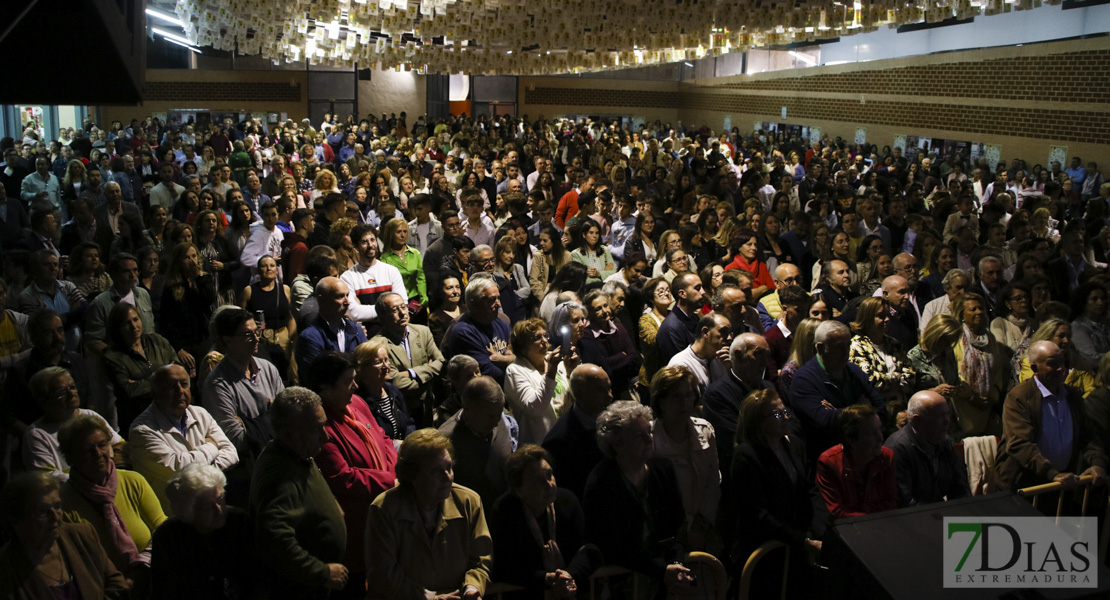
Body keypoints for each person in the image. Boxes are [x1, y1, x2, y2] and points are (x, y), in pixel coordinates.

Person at [308, 352, 398, 598]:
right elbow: (342, 477)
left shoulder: (356, 402)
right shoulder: (320, 426)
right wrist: (390, 481)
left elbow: (383, 437)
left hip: (385, 508)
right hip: (357, 524)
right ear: (325, 388)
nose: (356, 386)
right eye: (349, 381)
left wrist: (392, 471)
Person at [581, 400, 693, 598]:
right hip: (623, 585)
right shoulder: (601, 482)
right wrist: (662, 571)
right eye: (639, 436)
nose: (649, 439)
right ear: (616, 443)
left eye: (649, 432)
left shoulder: (663, 469)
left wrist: (676, 564)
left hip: (664, 580)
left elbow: (679, 522)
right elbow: (612, 545)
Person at [366, 428, 493, 599]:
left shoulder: (469, 501)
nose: (447, 476)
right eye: (436, 471)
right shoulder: (384, 509)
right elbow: (383, 574)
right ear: (412, 476)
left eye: (449, 467)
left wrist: (471, 588)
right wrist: (430, 598)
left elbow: (480, 560)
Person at [249, 387, 348, 599]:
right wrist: (320, 572)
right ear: (287, 433)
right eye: (316, 429)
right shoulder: (278, 472)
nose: (326, 436)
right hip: (300, 589)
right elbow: (273, 539)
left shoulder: (299, 453)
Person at [729, 389, 822, 598]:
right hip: (766, 553)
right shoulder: (746, 456)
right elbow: (757, 514)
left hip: (795, 547)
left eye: (785, 411)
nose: (785, 417)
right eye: (777, 415)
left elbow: (809, 489)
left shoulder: (794, 444)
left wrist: (817, 529)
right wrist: (803, 541)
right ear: (759, 422)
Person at [58, 413, 167, 588]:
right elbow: (75, 559)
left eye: (102, 445)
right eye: (87, 449)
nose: (98, 454)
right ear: (70, 457)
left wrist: (140, 568)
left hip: (151, 576)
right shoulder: (63, 501)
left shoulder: (133, 481)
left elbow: (163, 530)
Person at [992, 341, 1109, 491]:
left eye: (1063, 362)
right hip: (1024, 486)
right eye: (1053, 364)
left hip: (1060, 486)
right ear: (1035, 368)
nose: (1061, 368)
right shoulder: (1019, 397)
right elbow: (1019, 444)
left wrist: (1097, 463)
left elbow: (1088, 435)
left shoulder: (1073, 396)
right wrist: (1052, 473)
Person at [0, 471, 129, 600]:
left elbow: (117, 584)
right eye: (41, 511)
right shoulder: (6, 569)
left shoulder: (82, 535)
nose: (55, 517)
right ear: (16, 519)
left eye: (57, 506)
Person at [489, 445, 596, 599]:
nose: (549, 485)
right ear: (519, 490)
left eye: (549, 475)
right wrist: (545, 578)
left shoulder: (567, 501)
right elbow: (503, 567)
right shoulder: (505, 511)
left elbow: (589, 549)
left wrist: (569, 575)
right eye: (537, 481)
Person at [129, 365, 239, 514]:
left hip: (211, 508)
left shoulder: (200, 413)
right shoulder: (142, 430)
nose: (180, 391)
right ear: (155, 392)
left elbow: (232, 453)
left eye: (184, 384)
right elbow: (178, 468)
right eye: (171, 386)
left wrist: (197, 471)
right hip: (175, 515)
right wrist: (211, 447)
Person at [151, 463, 257, 600]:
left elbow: (257, 580)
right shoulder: (167, 537)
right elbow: (163, 592)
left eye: (220, 500)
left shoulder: (239, 522)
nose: (219, 511)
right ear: (188, 511)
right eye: (207, 507)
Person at [791, 320, 886, 462]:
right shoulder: (804, 380)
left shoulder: (854, 371)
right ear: (821, 348)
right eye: (839, 347)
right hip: (828, 459)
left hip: (864, 454)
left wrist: (838, 412)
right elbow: (823, 422)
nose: (846, 352)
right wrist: (862, 409)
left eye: (848, 345)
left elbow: (881, 410)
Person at [649, 366, 720, 550]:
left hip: (703, 531)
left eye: (688, 395)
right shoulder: (648, 439)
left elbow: (713, 483)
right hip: (668, 537)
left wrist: (700, 528)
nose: (684, 403)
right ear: (661, 401)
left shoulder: (705, 430)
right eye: (676, 396)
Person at [202, 308, 283, 465]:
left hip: (279, 456)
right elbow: (237, 439)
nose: (256, 339)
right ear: (227, 340)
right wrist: (270, 415)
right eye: (247, 335)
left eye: (256, 332)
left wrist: (249, 424)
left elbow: (288, 416)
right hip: (249, 467)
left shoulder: (267, 368)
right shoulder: (217, 384)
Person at [21, 366, 122, 480]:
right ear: (43, 400)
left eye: (73, 387)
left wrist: (111, 474)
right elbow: (47, 477)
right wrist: (91, 481)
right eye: (62, 392)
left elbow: (119, 446)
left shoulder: (90, 415)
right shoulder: (37, 434)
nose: (71, 394)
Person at [702, 333, 775, 480]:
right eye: (759, 354)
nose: (764, 363)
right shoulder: (717, 395)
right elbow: (736, 439)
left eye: (767, 356)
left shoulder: (769, 388)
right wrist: (777, 433)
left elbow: (792, 423)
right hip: (746, 476)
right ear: (739, 355)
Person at [438, 376, 518, 505]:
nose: (497, 422)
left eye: (500, 413)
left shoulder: (495, 415)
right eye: (491, 416)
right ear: (467, 408)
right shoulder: (445, 441)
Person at [370, 291, 445, 428]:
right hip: (401, 409)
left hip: (427, 406)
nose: (402, 313)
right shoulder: (378, 345)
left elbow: (441, 363)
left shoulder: (423, 332)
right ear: (381, 316)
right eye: (394, 309)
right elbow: (395, 382)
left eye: (403, 307)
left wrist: (410, 373)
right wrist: (428, 377)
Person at [102, 302, 180, 432]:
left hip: (169, 414)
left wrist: (143, 383)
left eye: (135, 319)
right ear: (117, 328)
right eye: (127, 323)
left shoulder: (157, 341)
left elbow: (179, 371)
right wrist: (165, 377)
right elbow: (130, 390)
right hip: (139, 421)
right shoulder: (112, 356)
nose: (134, 326)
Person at [884, 390, 971, 506]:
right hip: (914, 519)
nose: (947, 421)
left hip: (938, 514)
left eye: (947, 414)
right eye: (940, 416)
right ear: (917, 421)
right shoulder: (897, 449)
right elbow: (905, 502)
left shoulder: (945, 442)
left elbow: (960, 489)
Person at [542, 364, 614, 499]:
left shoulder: (611, 417)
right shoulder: (558, 442)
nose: (610, 396)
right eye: (600, 390)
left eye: (609, 388)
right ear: (580, 394)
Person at [503, 317, 577, 445]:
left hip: (566, 435)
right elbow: (534, 408)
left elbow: (575, 397)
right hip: (540, 442)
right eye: (537, 338)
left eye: (545, 336)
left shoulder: (553, 359)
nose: (544, 341)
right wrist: (551, 372)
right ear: (522, 345)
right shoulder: (515, 370)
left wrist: (571, 372)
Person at [816, 404, 898, 518]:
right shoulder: (830, 462)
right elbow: (837, 511)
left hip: (883, 524)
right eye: (871, 434)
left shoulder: (887, 457)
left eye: (880, 429)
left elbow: (892, 502)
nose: (880, 437)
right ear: (852, 441)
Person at [951, 292, 1009, 436]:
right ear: (962, 314)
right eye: (973, 309)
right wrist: (971, 396)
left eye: (981, 308)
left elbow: (997, 369)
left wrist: (992, 396)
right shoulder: (955, 337)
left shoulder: (989, 338)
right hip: (962, 406)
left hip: (986, 406)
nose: (979, 312)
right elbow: (954, 371)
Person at [441, 277, 514, 384]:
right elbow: (490, 374)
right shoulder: (463, 332)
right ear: (473, 303)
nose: (499, 304)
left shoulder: (501, 322)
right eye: (492, 299)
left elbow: (524, 355)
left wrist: (506, 360)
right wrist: (516, 363)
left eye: (498, 298)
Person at [849, 297, 915, 406]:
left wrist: (886, 380)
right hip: (874, 408)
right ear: (868, 318)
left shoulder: (894, 344)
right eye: (881, 316)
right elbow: (870, 380)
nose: (887, 320)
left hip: (900, 406)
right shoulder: (857, 345)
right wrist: (896, 377)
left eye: (888, 315)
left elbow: (911, 376)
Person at [296, 276, 368, 373]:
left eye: (347, 295)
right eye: (340, 296)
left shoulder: (356, 330)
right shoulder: (310, 337)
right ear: (322, 300)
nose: (347, 302)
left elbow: (367, 366)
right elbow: (314, 378)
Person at [340, 224, 407, 328]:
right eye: (364, 242)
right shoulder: (347, 277)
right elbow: (353, 312)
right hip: (366, 336)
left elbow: (402, 303)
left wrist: (366, 311)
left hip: (393, 332)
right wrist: (389, 311)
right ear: (356, 246)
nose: (370, 245)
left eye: (372, 240)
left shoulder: (391, 271)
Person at [354, 339, 416, 441]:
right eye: (378, 362)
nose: (386, 366)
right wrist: (395, 445)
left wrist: (410, 442)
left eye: (386, 360)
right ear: (362, 368)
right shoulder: (358, 400)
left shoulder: (392, 390)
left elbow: (408, 422)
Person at [666, 312, 732, 393]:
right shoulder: (681, 364)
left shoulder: (722, 359)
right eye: (724, 331)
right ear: (705, 332)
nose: (729, 338)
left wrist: (730, 370)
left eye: (730, 333)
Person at [656, 272, 705, 365]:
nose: (703, 292)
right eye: (697, 288)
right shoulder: (671, 328)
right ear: (682, 294)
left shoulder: (693, 317)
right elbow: (681, 366)